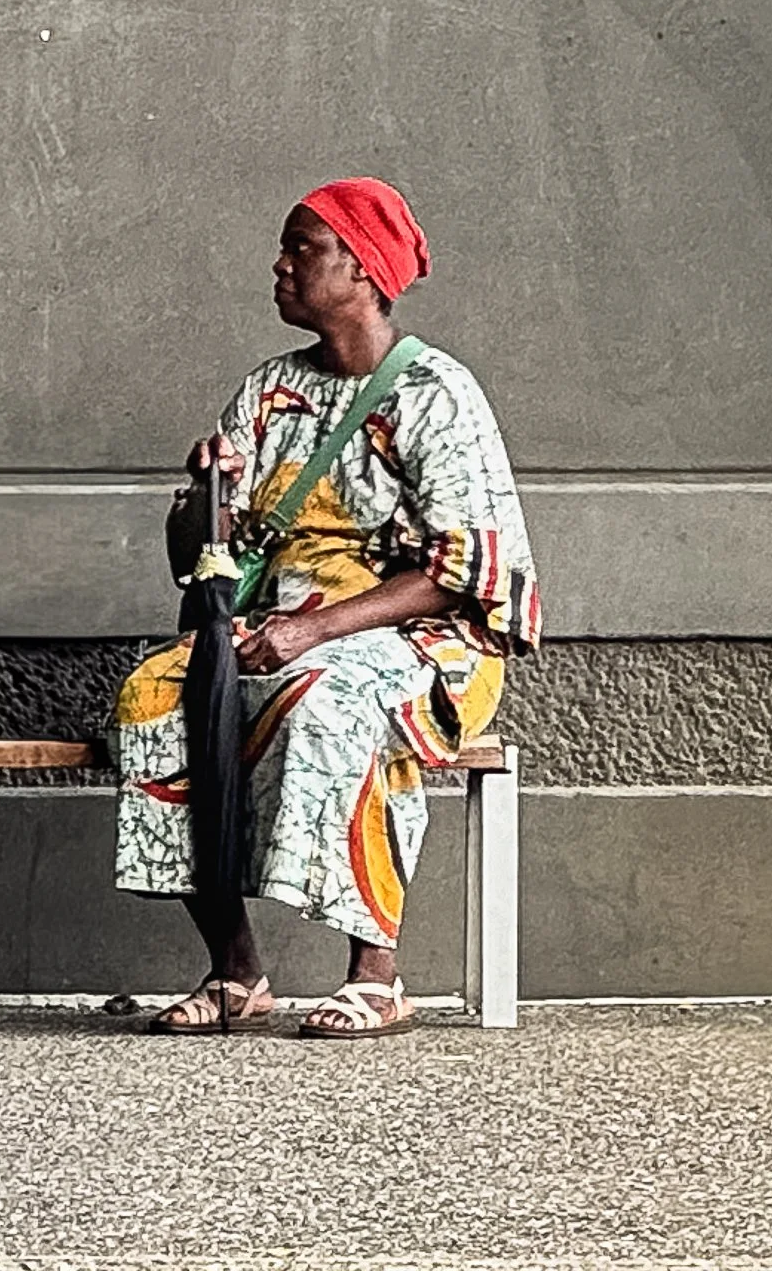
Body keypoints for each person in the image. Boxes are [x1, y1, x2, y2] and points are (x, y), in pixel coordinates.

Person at [111, 176, 540, 1036]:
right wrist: (206, 496)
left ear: (361, 268)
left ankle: (376, 975)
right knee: (153, 696)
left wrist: (314, 628)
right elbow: (197, 560)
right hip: (281, 628)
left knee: (333, 697)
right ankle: (236, 972)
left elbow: (461, 573)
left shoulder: (435, 395)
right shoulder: (269, 393)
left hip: (426, 640)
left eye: (301, 248)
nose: (280, 265)